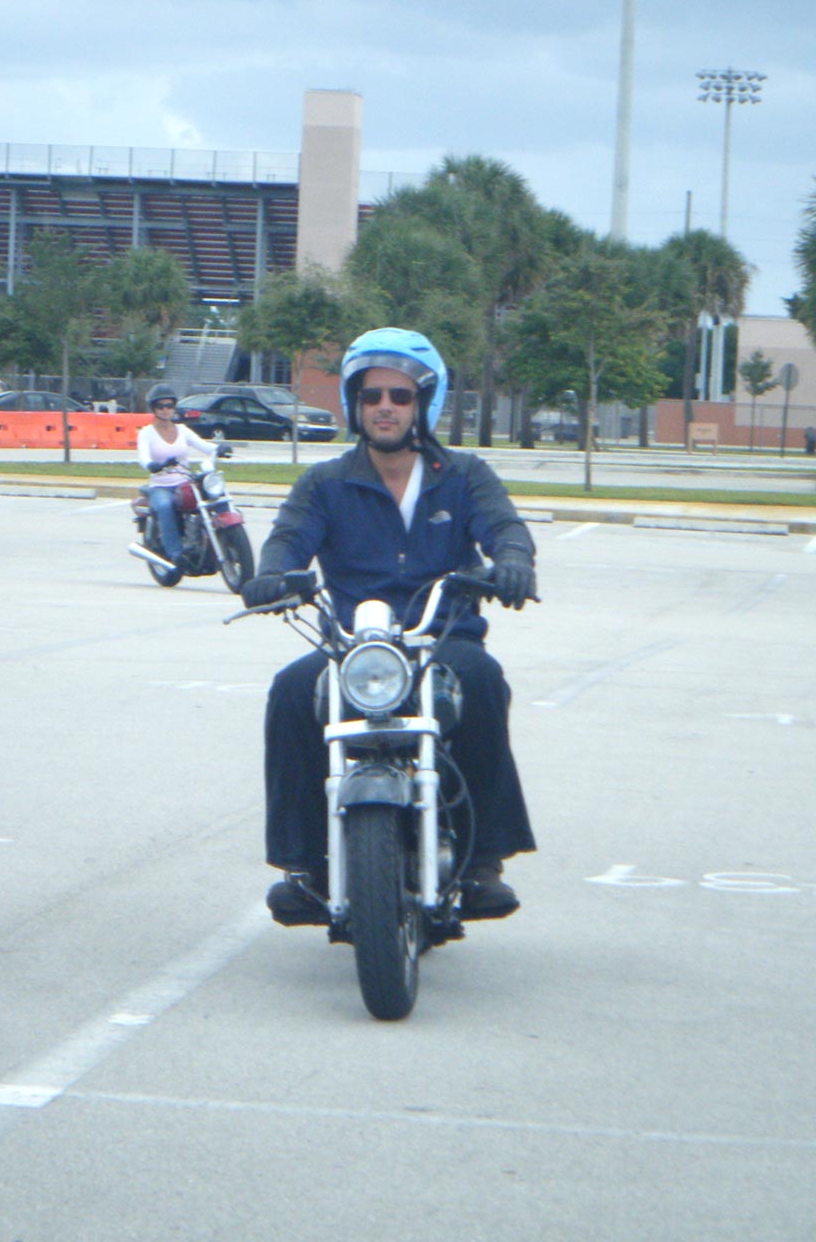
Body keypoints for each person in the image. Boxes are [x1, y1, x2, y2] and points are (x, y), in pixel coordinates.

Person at [241, 327, 538, 923]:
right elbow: (287, 539)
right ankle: (307, 868)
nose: (384, 407)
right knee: (292, 689)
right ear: (354, 403)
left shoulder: (464, 475)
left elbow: (505, 527)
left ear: (423, 403)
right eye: (371, 395)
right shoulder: (325, 482)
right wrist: (272, 576)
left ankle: (482, 862)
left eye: (400, 396)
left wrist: (513, 563)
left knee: (482, 680)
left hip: (441, 640)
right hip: (355, 648)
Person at [136, 383, 229, 570]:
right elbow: (143, 458)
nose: (165, 410)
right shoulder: (146, 433)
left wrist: (219, 448)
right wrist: (153, 465)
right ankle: (175, 553)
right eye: (160, 406)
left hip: (185, 482)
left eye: (169, 405)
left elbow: (204, 446)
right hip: (161, 485)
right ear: (153, 409)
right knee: (165, 506)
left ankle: (227, 538)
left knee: (215, 497)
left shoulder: (183, 430)